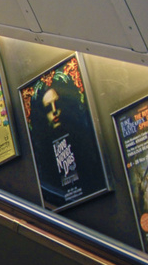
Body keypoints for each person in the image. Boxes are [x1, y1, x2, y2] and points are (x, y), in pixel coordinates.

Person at [28, 72, 107, 207]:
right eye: (48, 108)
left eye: (57, 103)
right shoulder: (44, 158)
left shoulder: (86, 140)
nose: (54, 110)